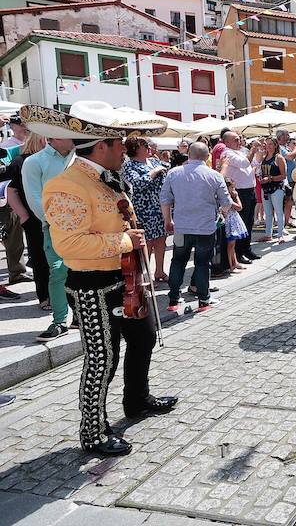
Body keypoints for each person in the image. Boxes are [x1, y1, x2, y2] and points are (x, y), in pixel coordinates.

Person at [26, 101, 178, 456]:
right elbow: (69, 244)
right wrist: (126, 240)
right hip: (92, 285)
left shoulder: (107, 179)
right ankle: (92, 431)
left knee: (143, 339)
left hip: (123, 278)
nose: (125, 151)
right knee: (101, 360)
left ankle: (137, 399)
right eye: (120, 144)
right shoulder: (67, 185)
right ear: (102, 146)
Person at [161, 142, 232, 312]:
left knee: (178, 261)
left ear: (189, 155)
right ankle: (203, 301)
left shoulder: (174, 173)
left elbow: (165, 199)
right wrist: (221, 214)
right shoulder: (214, 175)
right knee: (202, 263)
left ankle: (173, 300)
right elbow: (227, 202)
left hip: (181, 226)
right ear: (207, 156)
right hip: (205, 227)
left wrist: (167, 220)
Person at [21, 133, 74, 340]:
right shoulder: (34, 162)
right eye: (69, 134)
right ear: (54, 136)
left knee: (80, 270)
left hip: (84, 225)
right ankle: (60, 320)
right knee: (58, 270)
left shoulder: (78, 158)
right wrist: (54, 221)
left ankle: (79, 315)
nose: (74, 138)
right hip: (55, 226)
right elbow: (34, 197)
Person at [4, 134, 52, 329]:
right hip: (33, 219)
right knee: (39, 257)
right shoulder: (20, 162)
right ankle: (44, 296)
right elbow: (10, 190)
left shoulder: (48, 160)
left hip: (49, 216)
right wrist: (23, 215)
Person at [122, 137, 168, 282]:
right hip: (143, 208)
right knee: (146, 243)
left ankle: (159, 271)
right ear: (136, 148)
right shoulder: (129, 166)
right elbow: (137, 184)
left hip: (159, 206)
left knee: (161, 239)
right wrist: (154, 172)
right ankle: (144, 277)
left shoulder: (154, 161)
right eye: (145, 145)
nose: (149, 147)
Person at [219, 131, 261, 263]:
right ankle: (238, 254)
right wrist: (253, 149)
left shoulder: (241, 151)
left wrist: (257, 150)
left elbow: (255, 163)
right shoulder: (227, 153)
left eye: (239, 139)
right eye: (236, 140)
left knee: (248, 222)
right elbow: (245, 163)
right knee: (239, 224)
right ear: (227, 142)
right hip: (239, 192)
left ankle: (246, 249)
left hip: (249, 190)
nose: (239, 141)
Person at [1, 114, 30, 286]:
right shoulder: (5, 146)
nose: (24, 126)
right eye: (20, 123)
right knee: (9, 234)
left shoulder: (29, 143)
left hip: (16, 194)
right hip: (5, 195)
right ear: (12, 126)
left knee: (15, 236)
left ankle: (18, 271)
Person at [254, 137, 288, 243]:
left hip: (277, 187)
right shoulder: (264, 157)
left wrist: (271, 178)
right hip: (265, 187)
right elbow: (257, 163)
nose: (268, 146)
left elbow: (284, 175)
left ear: (275, 146)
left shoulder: (279, 158)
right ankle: (268, 234)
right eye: (267, 144)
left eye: (270, 144)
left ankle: (280, 234)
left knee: (278, 211)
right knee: (268, 213)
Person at [223, 177, 248, 272]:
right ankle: (231, 266)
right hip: (230, 222)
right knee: (230, 245)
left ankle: (235, 262)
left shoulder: (229, 196)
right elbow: (239, 207)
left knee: (233, 244)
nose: (234, 190)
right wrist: (236, 196)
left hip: (233, 220)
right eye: (232, 188)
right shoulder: (226, 197)